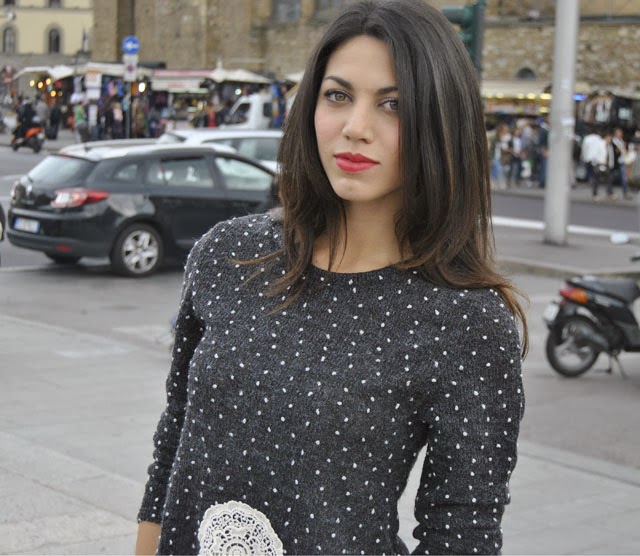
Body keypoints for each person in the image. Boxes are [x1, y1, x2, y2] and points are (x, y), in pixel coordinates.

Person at [136, 1, 528, 554]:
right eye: (338, 96)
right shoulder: (228, 255)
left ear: (440, 122)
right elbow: (176, 435)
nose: (355, 128)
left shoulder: (467, 323)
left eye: (393, 105)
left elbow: (462, 533)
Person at [581, 128, 612, 201]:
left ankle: (608, 193)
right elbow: (597, 153)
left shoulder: (588, 139)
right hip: (598, 163)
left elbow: (584, 149)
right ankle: (597, 193)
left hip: (590, 159)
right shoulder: (599, 141)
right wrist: (601, 161)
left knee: (601, 178)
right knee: (597, 178)